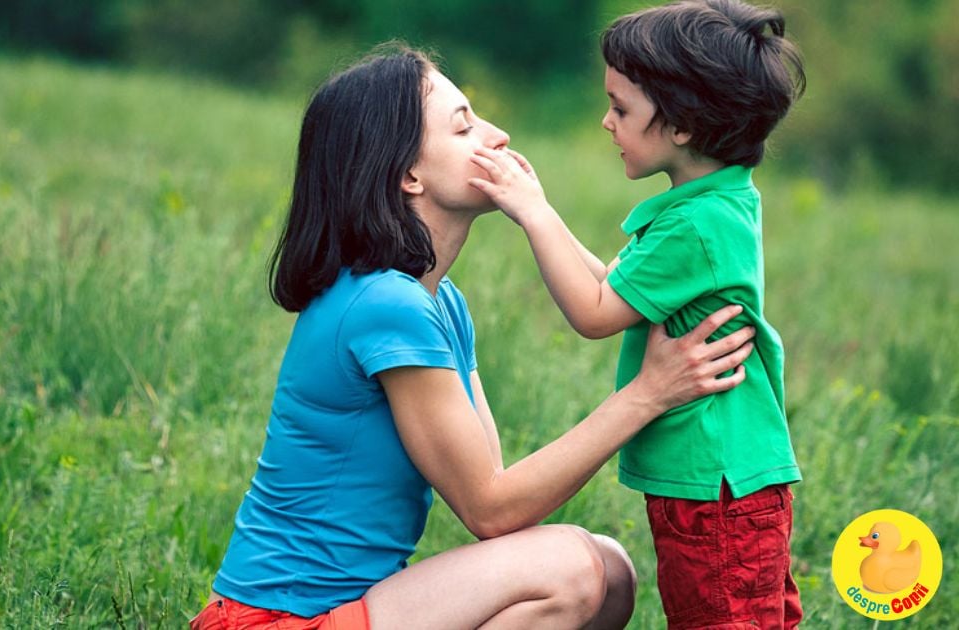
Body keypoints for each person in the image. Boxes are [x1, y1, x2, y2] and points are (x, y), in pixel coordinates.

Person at [191, 45, 756, 630]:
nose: (500, 137)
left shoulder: (439, 302)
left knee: (610, 572)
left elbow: (496, 493)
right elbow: (491, 510)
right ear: (408, 174)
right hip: (273, 621)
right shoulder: (384, 304)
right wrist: (649, 393)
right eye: (464, 127)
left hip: (345, 614)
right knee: (571, 569)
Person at [467, 1, 806, 627]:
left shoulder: (697, 224)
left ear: (682, 124)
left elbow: (597, 313)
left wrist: (531, 214)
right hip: (718, 480)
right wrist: (540, 205)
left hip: (719, 486)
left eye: (621, 108)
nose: (606, 121)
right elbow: (620, 290)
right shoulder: (708, 203)